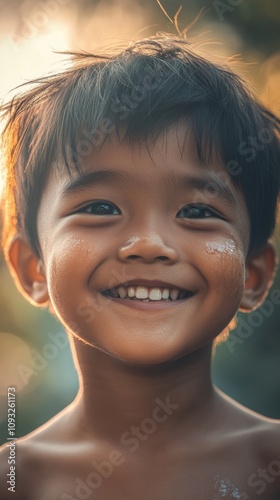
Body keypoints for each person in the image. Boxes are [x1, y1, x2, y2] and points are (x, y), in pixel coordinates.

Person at [0, 35, 280, 500]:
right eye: (102, 207)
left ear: (253, 275)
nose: (149, 245)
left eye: (196, 212)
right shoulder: (15, 481)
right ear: (33, 267)